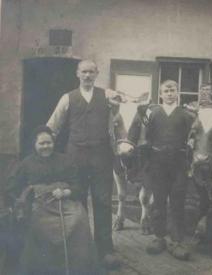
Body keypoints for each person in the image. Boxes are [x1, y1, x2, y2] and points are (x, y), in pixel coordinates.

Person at [47, 60, 121, 269]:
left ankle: (105, 249)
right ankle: (80, 248)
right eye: (84, 72)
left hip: (101, 157)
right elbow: (53, 126)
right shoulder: (67, 98)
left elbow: (119, 120)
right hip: (76, 157)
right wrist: (48, 151)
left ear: (97, 74)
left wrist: (117, 102)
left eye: (91, 72)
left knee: (103, 201)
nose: (87, 75)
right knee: (77, 201)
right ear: (77, 74)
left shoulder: (106, 96)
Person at [6, 126, 101, 275]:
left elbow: (78, 186)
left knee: (80, 219)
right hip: (39, 204)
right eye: (41, 143)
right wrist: (22, 199)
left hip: (65, 202)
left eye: (48, 143)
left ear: (53, 143)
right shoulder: (27, 163)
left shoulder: (65, 160)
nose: (45, 147)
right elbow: (14, 186)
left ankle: (76, 267)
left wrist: (65, 192)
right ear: (35, 145)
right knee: (38, 223)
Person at [126, 80, 194, 260]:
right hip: (157, 163)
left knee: (178, 201)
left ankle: (177, 241)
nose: (170, 93)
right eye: (166, 90)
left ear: (177, 93)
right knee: (158, 202)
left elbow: (192, 139)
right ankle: (159, 238)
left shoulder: (187, 115)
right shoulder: (153, 114)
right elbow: (145, 138)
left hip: (179, 163)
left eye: (173, 90)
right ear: (161, 94)